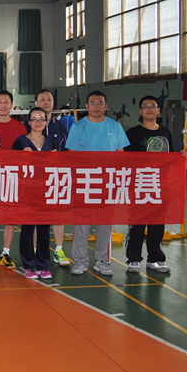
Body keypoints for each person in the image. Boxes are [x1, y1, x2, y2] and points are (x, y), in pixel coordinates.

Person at [124, 96, 187, 273]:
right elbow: (124, 158)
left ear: (158, 110)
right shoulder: (132, 133)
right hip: (138, 184)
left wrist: (182, 157)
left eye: (153, 106)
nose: (149, 109)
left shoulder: (165, 133)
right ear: (140, 111)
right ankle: (133, 259)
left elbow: (170, 157)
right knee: (137, 224)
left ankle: (155, 259)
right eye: (145, 106)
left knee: (157, 223)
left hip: (159, 185)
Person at [66, 91, 130, 276]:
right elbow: (71, 156)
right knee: (81, 224)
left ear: (106, 106)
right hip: (84, 181)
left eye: (100, 102)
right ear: (86, 106)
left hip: (107, 182)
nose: (96, 106)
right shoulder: (78, 127)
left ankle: (102, 261)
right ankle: (80, 261)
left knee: (105, 223)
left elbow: (121, 155)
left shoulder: (115, 126)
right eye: (92, 102)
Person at [13, 107, 63, 280]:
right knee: (28, 230)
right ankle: (28, 265)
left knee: (44, 230)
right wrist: (21, 157)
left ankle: (43, 265)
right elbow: (11, 164)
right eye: (34, 119)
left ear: (46, 122)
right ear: (29, 122)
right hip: (26, 191)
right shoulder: (20, 141)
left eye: (41, 119)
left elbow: (57, 167)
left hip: (46, 191)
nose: (37, 122)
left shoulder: (51, 142)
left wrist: (56, 158)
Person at [25, 89, 70, 267]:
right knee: (36, 217)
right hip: (34, 180)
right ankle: (36, 250)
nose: (46, 102)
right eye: (42, 99)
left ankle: (59, 250)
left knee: (58, 215)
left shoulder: (61, 127)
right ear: (36, 103)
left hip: (55, 178)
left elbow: (65, 153)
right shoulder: (28, 126)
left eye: (49, 99)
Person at [0, 90, 26, 270]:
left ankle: (6, 253)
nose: (3, 105)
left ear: (11, 105)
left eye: (6, 102)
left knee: (11, 217)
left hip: (13, 177)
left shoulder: (20, 127)